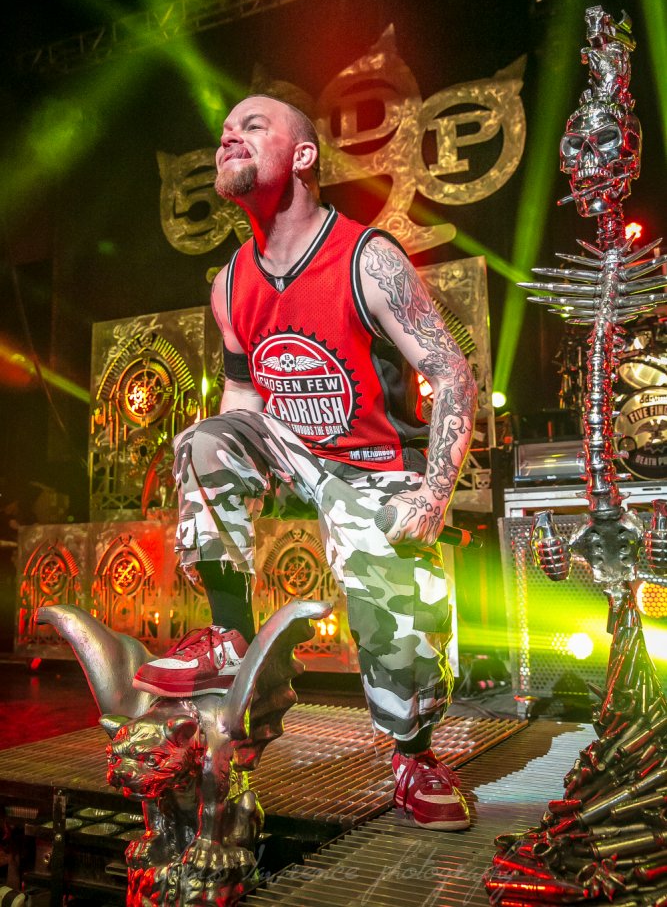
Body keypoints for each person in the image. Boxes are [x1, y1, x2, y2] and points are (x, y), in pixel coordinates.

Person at [133, 95, 477, 831]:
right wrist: (226, 462)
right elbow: (240, 396)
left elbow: (453, 374)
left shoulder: (366, 258)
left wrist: (432, 496)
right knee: (205, 437)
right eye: (225, 131)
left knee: (396, 606)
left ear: (303, 155)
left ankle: (413, 755)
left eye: (252, 126)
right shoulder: (230, 283)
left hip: (372, 464)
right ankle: (230, 636)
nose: (229, 136)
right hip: (292, 453)